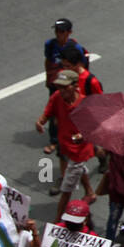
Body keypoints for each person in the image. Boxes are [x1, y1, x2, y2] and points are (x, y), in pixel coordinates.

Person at [35, 69, 95, 220]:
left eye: (64, 87)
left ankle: (57, 221)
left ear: (75, 86)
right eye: (59, 87)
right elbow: (48, 112)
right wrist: (41, 122)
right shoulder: (57, 97)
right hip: (65, 145)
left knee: (66, 189)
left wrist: (82, 135)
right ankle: (89, 192)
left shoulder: (84, 104)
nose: (61, 90)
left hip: (79, 150)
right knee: (80, 170)